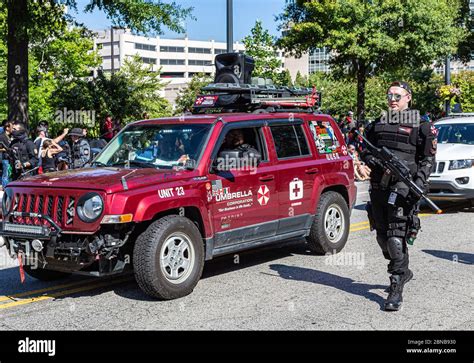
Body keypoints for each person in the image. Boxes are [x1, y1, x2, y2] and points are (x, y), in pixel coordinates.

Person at [361, 81, 437, 311]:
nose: (392, 99)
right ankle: (403, 269)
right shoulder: (378, 123)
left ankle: (395, 288)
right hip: (379, 186)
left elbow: (428, 159)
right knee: (382, 238)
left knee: (395, 237)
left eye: (397, 95)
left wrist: (419, 183)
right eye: (390, 95)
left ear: (408, 98)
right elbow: (365, 148)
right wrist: (371, 161)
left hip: (404, 187)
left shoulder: (422, 125)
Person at [0, 120, 13, 188]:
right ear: (7, 128)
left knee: (8, 174)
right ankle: (5, 189)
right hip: (5, 158)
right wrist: (4, 149)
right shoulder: (2, 136)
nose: (12, 128)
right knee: (5, 174)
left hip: (9, 158)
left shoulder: (10, 137)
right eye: (11, 127)